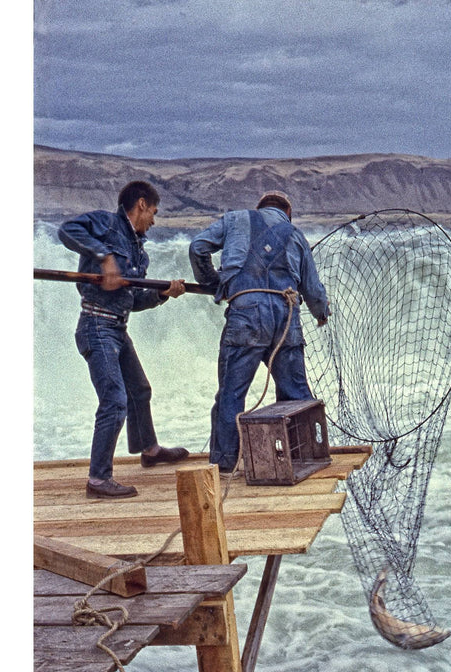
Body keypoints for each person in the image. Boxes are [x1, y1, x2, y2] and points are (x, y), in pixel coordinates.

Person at [58, 180, 190, 499]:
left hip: (117, 328)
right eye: (154, 212)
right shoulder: (105, 223)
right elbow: (66, 230)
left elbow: (133, 300)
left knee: (139, 390)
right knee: (115, 402)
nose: (154, 221)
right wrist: (104, 256)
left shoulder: (138, 251)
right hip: (96, 325)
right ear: (141, 204)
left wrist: (162, 294)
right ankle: (98, 479)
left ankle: (150, 450)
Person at [189, 190, 329, 473]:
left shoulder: (235, 220)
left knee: (232, 393)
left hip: (246, 315)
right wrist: (321, 314)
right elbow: (313, 290)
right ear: (287, 213)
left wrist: (213, 282)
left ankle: (226, 465)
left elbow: (197, 248)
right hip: (286, 316)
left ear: (259, 208)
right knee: (296, 394)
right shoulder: (295, 234)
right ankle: (303, 458)